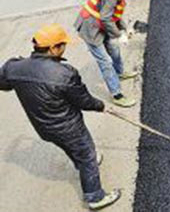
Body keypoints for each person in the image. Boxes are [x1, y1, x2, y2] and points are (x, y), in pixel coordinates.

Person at [0, 24, 121, 210]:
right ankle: (95, 197)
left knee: (68, 147)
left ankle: (80, 165)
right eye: (62, 45)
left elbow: (4, 84)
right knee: (87, 155)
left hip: (43, 128)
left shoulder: (13, 67)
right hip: (68, 127)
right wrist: (101, 105)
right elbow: (84, 101)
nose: (64, 48)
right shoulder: (65, 74)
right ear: (53, 48)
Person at [74, 0, 144, 108]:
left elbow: (114, 15)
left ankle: (119, 72)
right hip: (90, 29)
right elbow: (106, 18)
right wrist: (119, 35)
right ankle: (117, 94)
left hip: (101, 25)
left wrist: (125, 28)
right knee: (105, 61)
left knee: (114, 49)